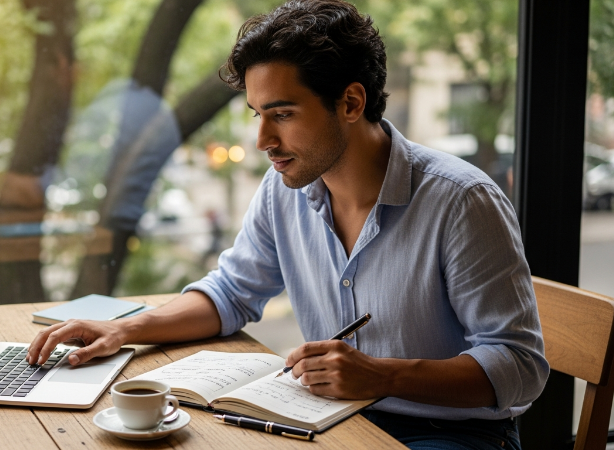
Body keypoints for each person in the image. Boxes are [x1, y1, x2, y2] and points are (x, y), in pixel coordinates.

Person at [27, 1, 548, 448]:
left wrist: (381, 376)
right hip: (328, 418)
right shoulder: (286, 189)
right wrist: (124, 329)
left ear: (350, 102)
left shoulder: (463, 201)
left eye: (283, 114)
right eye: (257, 114)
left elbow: (520, 368)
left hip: (451, 434)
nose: (263, 141)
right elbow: (231, 293)